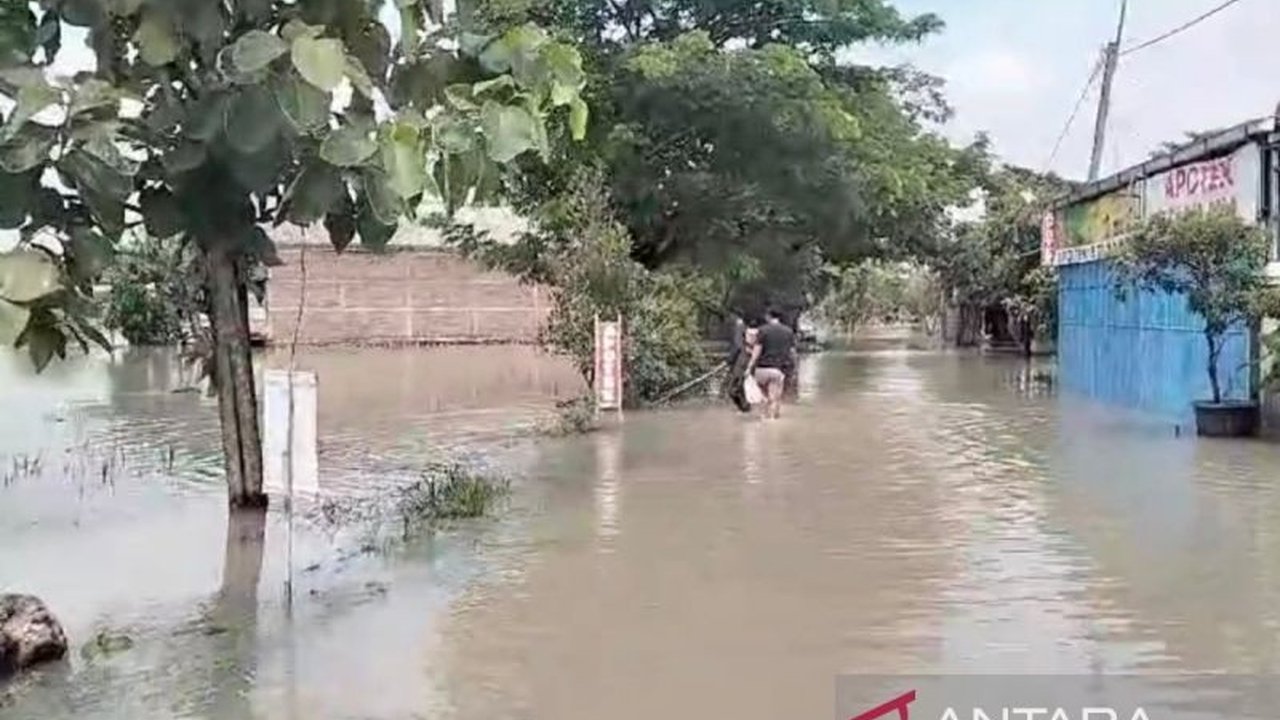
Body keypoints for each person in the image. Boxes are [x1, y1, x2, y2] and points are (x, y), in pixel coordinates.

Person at [746, 308, 795, 419]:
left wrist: (749, 367)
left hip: (761, 370)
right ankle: (772, 421)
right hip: (778, 370)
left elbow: (757, 351)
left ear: (768, 316)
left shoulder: (762, 330)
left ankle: (763, 417)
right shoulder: (788, 331)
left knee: (764, 396)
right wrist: (793, 368)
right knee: (775, 398)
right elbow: (792, 352)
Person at [723, 315, 752, 413]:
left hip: (740, 360)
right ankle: (745, 408)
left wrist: (729, 360)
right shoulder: (744, 327)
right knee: (739, 386)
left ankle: (745, 409)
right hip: (744, 360)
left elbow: (737, 346)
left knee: (733, 389)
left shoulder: (738, 327)